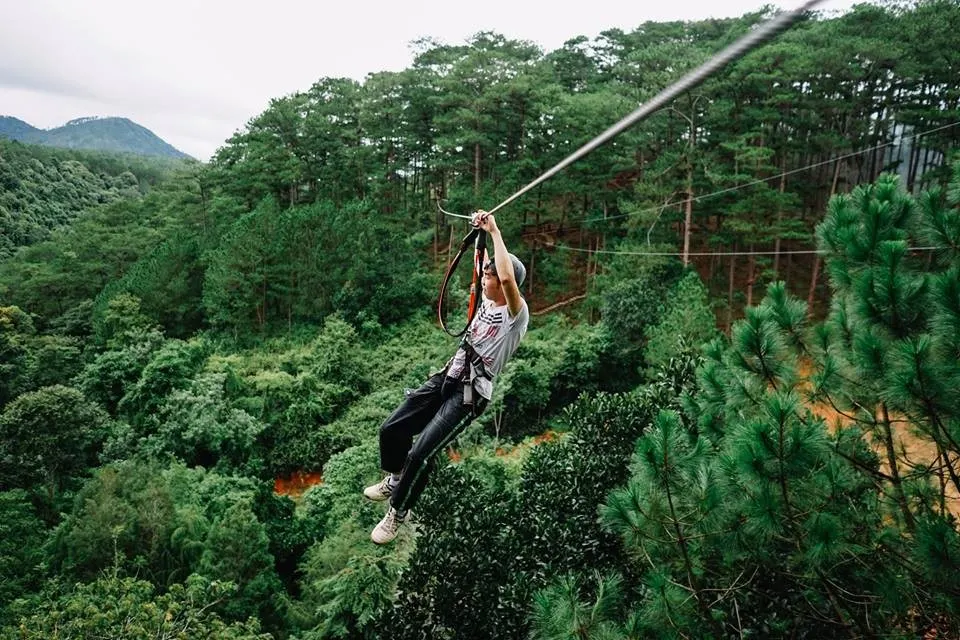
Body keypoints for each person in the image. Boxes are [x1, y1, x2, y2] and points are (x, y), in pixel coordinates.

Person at [364, 210, 529, 544]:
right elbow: (481, 259)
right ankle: (396, 477)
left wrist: (496, 231)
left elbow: (509, 279)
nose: (485, 278)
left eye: (490, 275)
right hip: (449, 376)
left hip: (470, 395)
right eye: (484, 274)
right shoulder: (485, 294)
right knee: (391, 429)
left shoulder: (516, 313)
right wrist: (480, 229)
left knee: (421, 454)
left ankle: (397, 512)